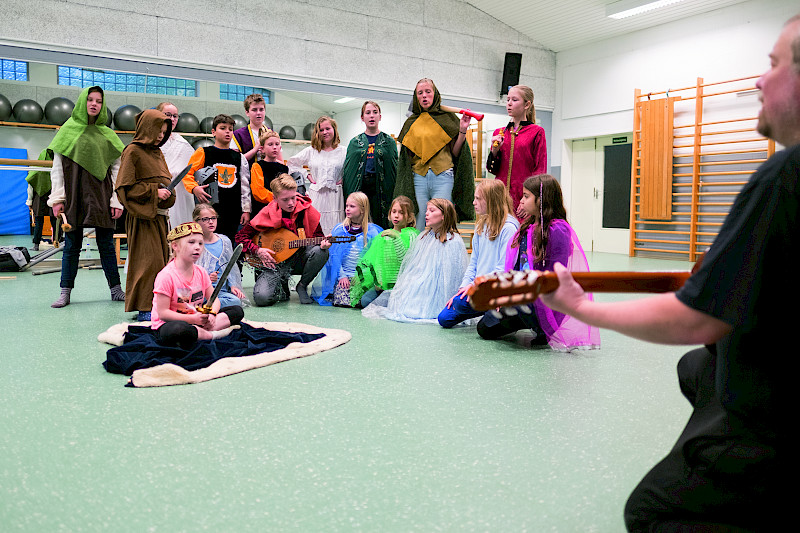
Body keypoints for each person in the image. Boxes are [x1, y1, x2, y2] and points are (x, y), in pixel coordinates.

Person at [540, 18, 799, 531]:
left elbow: (697, 319)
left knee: (651, 512)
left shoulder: (783, 176)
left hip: (776, 427)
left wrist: (584, 309)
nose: (758, 81)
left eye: (774, 65)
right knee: (697, 370)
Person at [475, 174, 599, 350]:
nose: (522, 201)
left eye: (526, 196)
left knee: (493, 324)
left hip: (543, 299)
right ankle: (525, 321)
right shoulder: (528, 227)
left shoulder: (558, 231)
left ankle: (541, 328)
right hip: (524, 294)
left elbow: (554, 278)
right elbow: (517, 267)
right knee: (484, 328)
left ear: (541, 200)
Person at [47, 86, 126, 308]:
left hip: (101, 194)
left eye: (98, 101)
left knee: (106, 245)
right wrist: (58, 198)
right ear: (83, 102)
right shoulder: (67, 131)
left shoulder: (107, 134)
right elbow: (58, 169)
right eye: (90, 100)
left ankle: (116, 290)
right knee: (72, 244)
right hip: (74, 195)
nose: (94, 104)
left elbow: (116, 170)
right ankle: (65, 292)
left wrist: (115, 200)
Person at [362, 198, 468, 323]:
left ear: (444, 216)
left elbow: (452, 276)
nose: (426, 213)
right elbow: (413, 265)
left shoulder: (453, 241)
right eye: (427, 210)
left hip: (437, 289)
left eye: (432, 210)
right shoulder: (424, 237)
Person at [116, 109, 176, 321]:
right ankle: (144, 307)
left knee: (160, 263)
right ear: (147, 128)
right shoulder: (132, 151)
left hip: (160, 217)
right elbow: (125, 189)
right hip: (143, 218)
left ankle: (158, 305)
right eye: (158, 130)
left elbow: (163, 181)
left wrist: (167, 193)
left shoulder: (157, 153)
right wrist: (154, 192)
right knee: (147, 262)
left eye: (164, 131)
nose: (161, 135)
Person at [235, 173, 330, 306]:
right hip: (274, 263)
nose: (291, 203)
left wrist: (323, 244)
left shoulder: (307, 210)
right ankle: (281, 283)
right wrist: (258, 250)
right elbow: (240, 237)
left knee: (321, 252)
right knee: (262, 299)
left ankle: (302, 286)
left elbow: (318, 237)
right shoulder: (266, 213)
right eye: (285, 200)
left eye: (293, 197)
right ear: (275, 198)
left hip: (299, 259)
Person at [394, 78, 475, 230]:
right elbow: (407, 158)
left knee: (442, 222)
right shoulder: (411, 122)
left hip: (443, 176)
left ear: (435, 94)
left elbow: (456, 153)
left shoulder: (448, 118)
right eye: (420, 93)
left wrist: (462, 129)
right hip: (419, 177)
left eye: (428, 92)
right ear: (416, 97)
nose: (424, 95)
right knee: (419, 222)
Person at [438, 179, 519, 328]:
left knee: (462, 306)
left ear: (491, 201)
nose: (474, 202)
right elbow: (473, 263)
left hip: (496, 288)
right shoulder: (481, 225)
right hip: (479, 288)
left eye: (478, 199)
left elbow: (504, 269)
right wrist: (463, 288)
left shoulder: (509, 228)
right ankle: (482, 307)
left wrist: (476, 286)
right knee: (444, 318)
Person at [151, 222, 244, 348]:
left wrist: (212, 314)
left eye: (200, 243)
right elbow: (163, 313)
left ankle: (202, 332)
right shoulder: (166, 276)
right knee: (177, 330)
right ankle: (211, 335)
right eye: (191, 242)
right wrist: (193, 320)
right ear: (175, 246)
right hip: (173, 323)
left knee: (237, 311)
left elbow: (214, 299)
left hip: (199, 320)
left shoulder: (201, 272)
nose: (197, 247)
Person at [182, 114, 251, 245]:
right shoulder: (203, 152)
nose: (227, 132)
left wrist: (246, 210)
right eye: (223, 128)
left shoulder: (239, 157)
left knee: (229, 245)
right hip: (209, 210)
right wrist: (194, 188)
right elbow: (187, 174)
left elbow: (245, 186)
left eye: (230, 129)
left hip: (233, 211)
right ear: (213, 132)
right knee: (207, 244)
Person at [486, 85, 547, 217]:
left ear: (527, 104)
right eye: (508, 100)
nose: (509, 103)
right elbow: (492, 170)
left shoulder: (537, 132)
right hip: (500, 198)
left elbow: (540, 170)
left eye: (514, 100)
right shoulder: (499, 133)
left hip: (523, 200)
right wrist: (494, 151)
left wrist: (528, 201)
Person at [350, 195, 420, 308]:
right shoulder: (383, 235)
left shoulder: (412, 235)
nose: (396, 215)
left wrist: (396, 238)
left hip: (401, 285)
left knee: (381, 304)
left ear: (410, 217)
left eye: (401, 213)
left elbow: (405, 260)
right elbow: (376, 261)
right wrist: (378, 282)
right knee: (365, 301)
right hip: (382, 285)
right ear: (389, 214)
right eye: (394, 211)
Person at [313, 192, 382, 306]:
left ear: (363, 210)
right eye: (347, 206)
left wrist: (361, 277)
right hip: (344, 277)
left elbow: (374, 259)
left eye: (352, 206)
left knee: (362, 301)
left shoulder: (372, 232)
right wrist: (342, 276)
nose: (347, 209)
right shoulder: (340, 230)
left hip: (362, 277)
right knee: (343, 301)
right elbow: (334, 256)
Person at [342, 101, 398, 225]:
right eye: (368, 113)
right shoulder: (355, 142)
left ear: (380, 116)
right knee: (360, 218)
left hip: (381, 186)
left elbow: (394, 169)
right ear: (362, 118)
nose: (372, 116)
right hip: (361, 185)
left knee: (380, 218)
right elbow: (349, 170)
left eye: (375, 112)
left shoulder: (389, 141)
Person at [287, 116, 345, 234]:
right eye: (321, 130)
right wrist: (306, 175)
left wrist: (344, 179)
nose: (325, 132)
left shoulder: (343, 151)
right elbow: (291, 163)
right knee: (316, 228)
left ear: (334, 129)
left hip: (336, 197)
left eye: (328, 128)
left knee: (335, 231)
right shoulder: (311, 150)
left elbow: (351, 169)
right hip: (317, 196)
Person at [193, 203, 247, 308]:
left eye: (213, 218)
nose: (211, 222)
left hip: (221, 291)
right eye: (205, 219)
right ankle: (207, 306)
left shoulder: (224, 241)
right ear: (196, 222)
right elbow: (188, 273)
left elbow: (231, 268)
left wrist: (233, 285)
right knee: (191, 300)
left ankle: (210, 306)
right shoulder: (194, 244)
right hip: (200, 292)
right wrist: (206, 279)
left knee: (235, 301)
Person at [156, 102, 195, 227]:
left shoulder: (182, 143)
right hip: (158, 192)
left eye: (175, 116)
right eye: (168, 115)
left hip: (180, 195)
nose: (172, 119)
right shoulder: (151, 141)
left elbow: (192, 169)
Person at [249, 129, 287, 216]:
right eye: (270, 144)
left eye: (277, 144)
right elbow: (258, 192)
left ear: (280, 148)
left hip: (280, 211)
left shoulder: (284, 168)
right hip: (262, 212)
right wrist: (279, 199)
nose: (274, 147)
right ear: (262, 149)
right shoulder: (257, 166)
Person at [232, 93, 273, 170]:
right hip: (246, 179)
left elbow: (280, 160)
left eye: (261, 109)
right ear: (247, 112)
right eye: (254, 110)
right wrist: (255, 150)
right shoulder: (237, 135)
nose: (258, 113)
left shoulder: (271, 134)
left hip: (268, 178)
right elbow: (234, 162)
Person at [25, 148, 56, 250]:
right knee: (55, 221)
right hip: (53, 197)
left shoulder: (35, 169)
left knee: (39, 222)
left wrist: (29, 201)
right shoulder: (55, 168)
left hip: (39, 198)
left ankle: (36, 245)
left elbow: (30, 186)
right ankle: (57, 242)